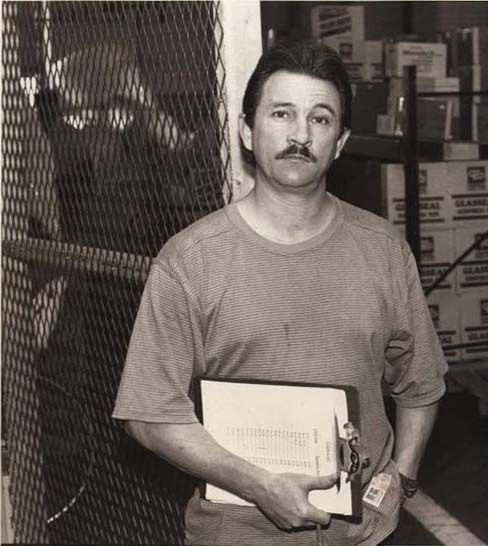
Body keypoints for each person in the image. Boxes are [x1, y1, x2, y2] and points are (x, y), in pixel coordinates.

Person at [112, 40, 448, 546]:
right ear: (248, 131)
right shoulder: (190, 261)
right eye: (282, 113)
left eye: (320, 119)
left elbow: (422, 384)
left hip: (364, 536)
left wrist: (403, 476)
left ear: (340, 141)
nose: (300, 135)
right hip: (238, 536)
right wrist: (259, 486)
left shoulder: (383, 250)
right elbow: (147, 414)